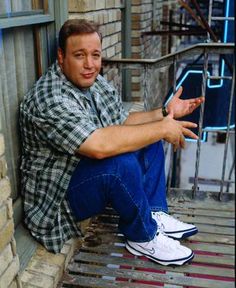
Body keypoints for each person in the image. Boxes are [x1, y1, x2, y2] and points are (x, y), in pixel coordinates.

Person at [20, 19, 204, 266]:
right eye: (79, 55)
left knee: (149, 139)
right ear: (61, 57)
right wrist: (161, 128)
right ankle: (142, 237)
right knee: (121, 165)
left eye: (95, 55)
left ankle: (153, 212)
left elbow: (123, 120)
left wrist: (163, 113)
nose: (89, 64)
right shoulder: (50, 98)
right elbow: (98, 146)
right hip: (59, 199)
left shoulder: (93, 82)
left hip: (82, 171)